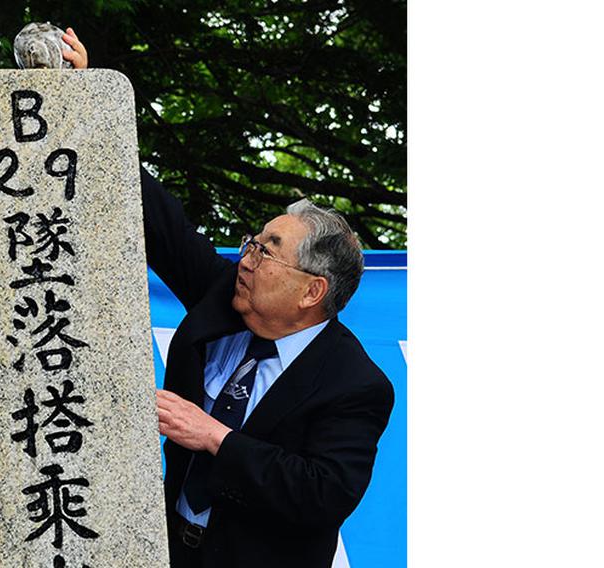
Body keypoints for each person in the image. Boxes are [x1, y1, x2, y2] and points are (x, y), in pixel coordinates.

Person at [62, 29, 394, 568]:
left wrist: (214, 436)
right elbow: (160, 222)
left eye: (268, 252)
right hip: (168, 548)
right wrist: (87, 103)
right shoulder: (226, 299)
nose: (246, 260)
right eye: (252, 243)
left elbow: (323, 494)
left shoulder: (354, 383)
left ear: (313, 290)